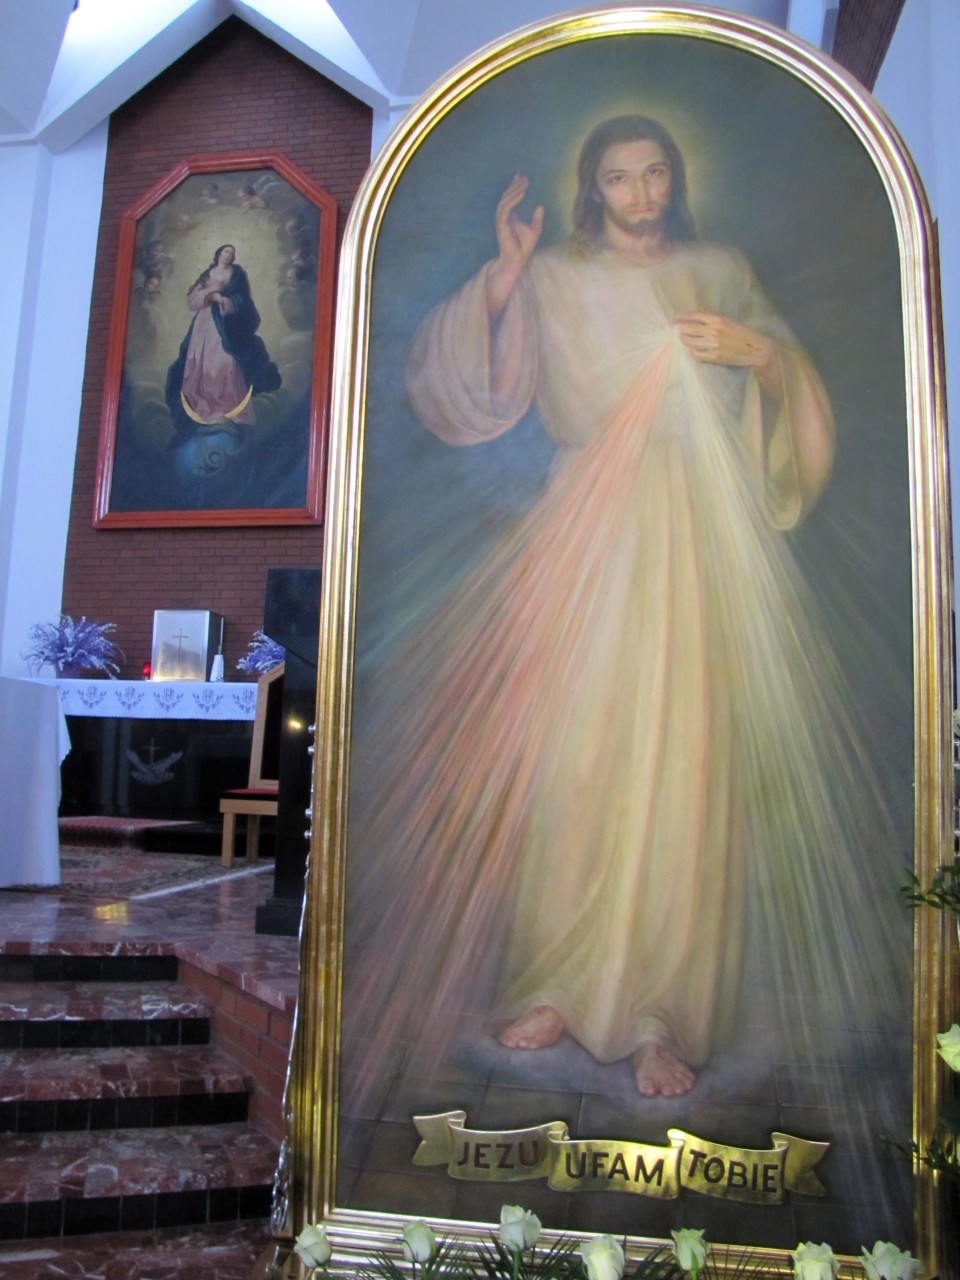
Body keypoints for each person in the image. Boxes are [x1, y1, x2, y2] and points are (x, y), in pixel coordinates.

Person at [345, 116, 894, 1105]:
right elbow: (464, 388)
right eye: (617, 179)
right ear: (591, 189)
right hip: (587, 529)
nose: (639, 194)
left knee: (684, 762)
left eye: (654, 174)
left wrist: (760, 355)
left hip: (698, 533)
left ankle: (660, 1013)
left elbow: (793, 386)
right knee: (579, 753)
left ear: (675, 179)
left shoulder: (720, 269)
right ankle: (557, 982)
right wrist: (506, 276)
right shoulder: (554, 275)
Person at [165, 244, 280, 440]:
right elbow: (192, 301)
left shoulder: (236, 274)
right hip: (203, 324)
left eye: (232, 253)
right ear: (219, 253)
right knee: (201, 363)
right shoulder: (207, 274)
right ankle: (206, 407)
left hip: (227, 326)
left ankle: (227, 405)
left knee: (225, 362)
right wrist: (209, 293)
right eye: (226, 251)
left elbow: (243, 299)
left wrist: (222, 300)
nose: (228, 255)